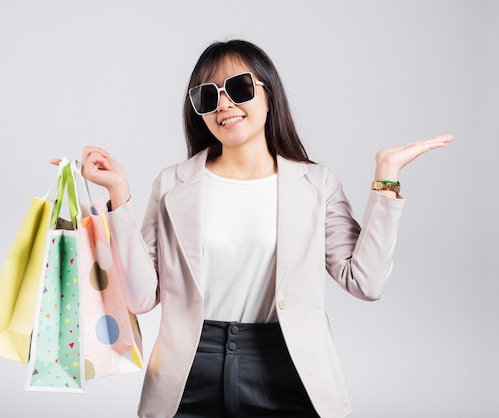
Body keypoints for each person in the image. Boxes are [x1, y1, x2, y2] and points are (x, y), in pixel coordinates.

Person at [70, 40, 453, 417]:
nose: (224, 104)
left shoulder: (316, 185)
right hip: (188, 368)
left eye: (239, 88)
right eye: (207, 96)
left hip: (288, 366)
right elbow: (141, 298)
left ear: (269, 96)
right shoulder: (173, 184)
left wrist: (386, 178)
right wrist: (118, 195)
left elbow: (365, 282)